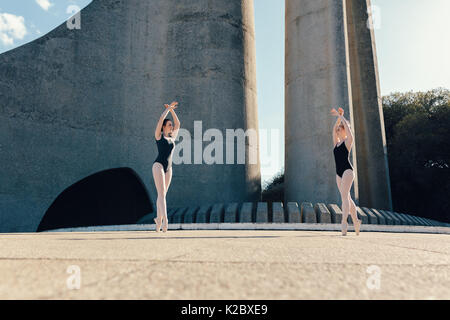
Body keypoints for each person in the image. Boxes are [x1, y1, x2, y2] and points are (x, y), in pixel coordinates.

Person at [330, 107, 362, 236]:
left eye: (340, 128)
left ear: (344, 129)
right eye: (338, 128)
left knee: (344, 197)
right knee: (347, 197)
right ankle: (356, 220)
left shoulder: (348, 141)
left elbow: (349, 131)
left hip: (348, 171)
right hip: (338, 173)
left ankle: (344, 222)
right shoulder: (336, 143)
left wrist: (342, 118)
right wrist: (338, 117)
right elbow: (333, 129)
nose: (338, 130)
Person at [152, 101, 180, 232]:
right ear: (163, 127)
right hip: (158, 166)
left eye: (171, 125)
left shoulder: (172, 138)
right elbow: (160, 120)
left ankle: (158, 220)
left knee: (161, 195)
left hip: (169, 168)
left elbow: (178, 124)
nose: (172, 126)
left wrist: (172, 110)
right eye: (169, 125)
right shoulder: (159, 136)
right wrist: (167, 109)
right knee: (161, 194)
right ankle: (165, 221)